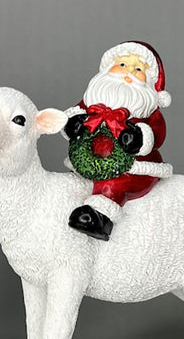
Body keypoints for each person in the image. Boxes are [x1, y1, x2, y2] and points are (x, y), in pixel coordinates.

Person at [63, 41, 173, 241]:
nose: (128, 72)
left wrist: (138, 138)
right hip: (89, 160)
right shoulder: (92, 100)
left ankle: (99, 218)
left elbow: (157, 133)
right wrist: (73, 124)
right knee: (75, 181)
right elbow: (73, 114)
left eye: (138, 69)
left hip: (130, 168)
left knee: (115, 183)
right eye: (122, 65)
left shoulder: (147, 112)